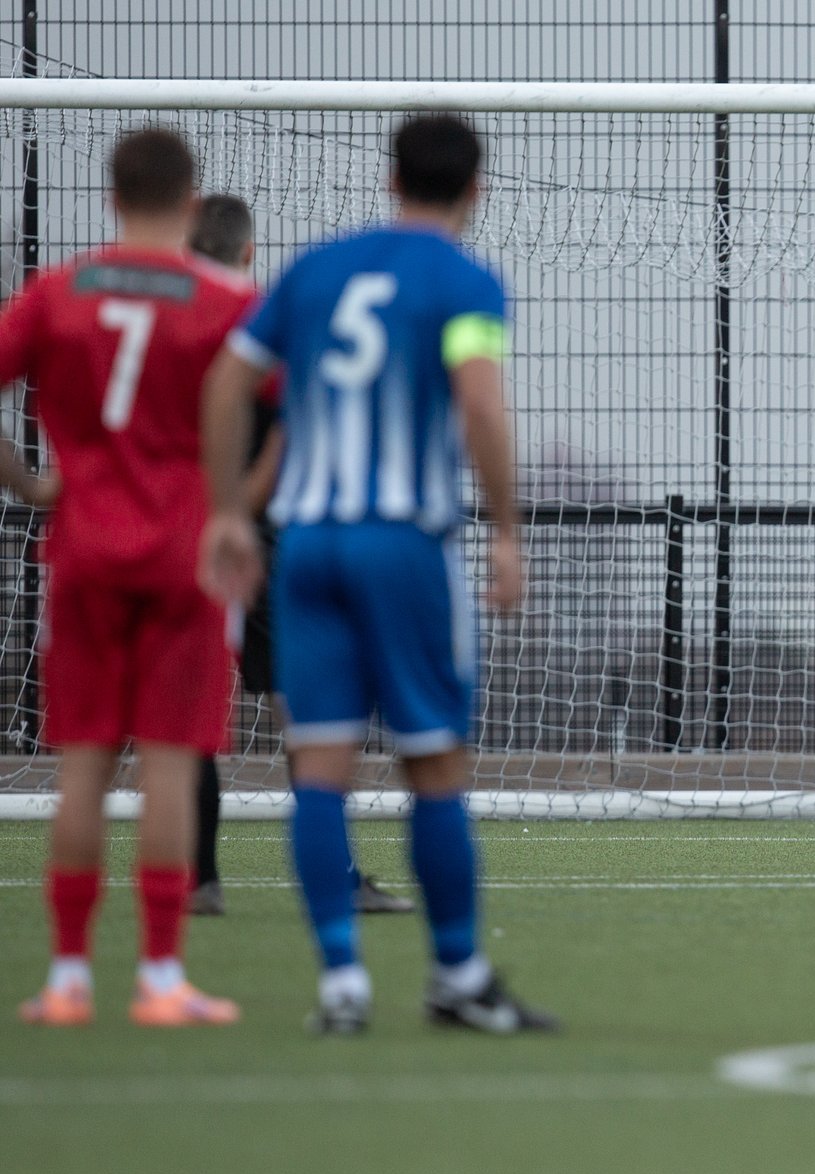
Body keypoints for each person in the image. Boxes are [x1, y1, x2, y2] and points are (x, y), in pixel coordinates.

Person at [199, 112, 553, 1035]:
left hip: (306, 548)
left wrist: (232, 510)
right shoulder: (466, 282)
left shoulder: (311, 272)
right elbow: (480, 401)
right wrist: (507, 530)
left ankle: (343, 986)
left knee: (319, 769)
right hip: (404, 543)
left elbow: (229, 383)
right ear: (476, 188)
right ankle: (457, 976)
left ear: (390, 178)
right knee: (434, 762)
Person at [6, 127, 249, 1027]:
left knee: (80, 771)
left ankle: (68, 979)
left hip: (83, 552)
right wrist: (235, 506)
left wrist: (26, 480)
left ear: (111, 198)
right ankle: (159, 978)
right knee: (171, 770)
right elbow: (286, 406)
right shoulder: (223, 301)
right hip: (187, 557)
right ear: (190, 204)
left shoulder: (57, 293)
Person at [182, 192, 414, 919]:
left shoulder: (171, 321)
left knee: (191, 711)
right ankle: (339, 877)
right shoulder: (262, 320)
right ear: (248, 252)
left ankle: (201, 879)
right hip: (270, 535)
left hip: (188, 534)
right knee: (304, 710)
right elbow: (298, 425)